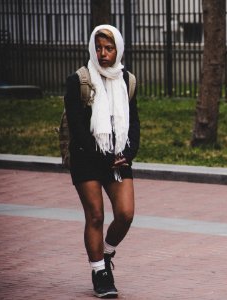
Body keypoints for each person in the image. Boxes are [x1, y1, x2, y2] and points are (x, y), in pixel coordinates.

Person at [64, 24, 140, 298]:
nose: (103, 53)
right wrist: (102, 156)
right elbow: (77, 128)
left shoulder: (127, 80)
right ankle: (99, 272)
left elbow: (134, 125)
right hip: (87, 159)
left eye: (108, 48)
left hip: (118, 158)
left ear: (117, 49)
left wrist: (127, 154)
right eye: (98, 48)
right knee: (95, 215)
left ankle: (106, 254)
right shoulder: (78, 81)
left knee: (126, 214)